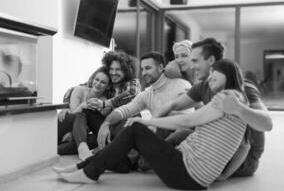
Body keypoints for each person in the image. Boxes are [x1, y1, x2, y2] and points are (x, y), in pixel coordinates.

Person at [52, 59, 248, 190]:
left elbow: (188, 120)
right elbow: (128, 108)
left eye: (216, 72)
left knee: (136, 129)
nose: (211, 76)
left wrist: (147, 121)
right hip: (187, 167)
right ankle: (85, 165)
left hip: (188, 174)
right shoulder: (235, 100)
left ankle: (89, 171)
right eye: (211, 72)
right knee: (133, 133)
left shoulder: (227, 98)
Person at [155, 38, 273, 179]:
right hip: (221, 147)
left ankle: (150, 160)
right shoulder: (204, 85)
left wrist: (239, 108)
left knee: (182, 133)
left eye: (195, 61)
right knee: (175, 122)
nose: (192, 66)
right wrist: (151, 122)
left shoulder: (242, 88)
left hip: (244, 158)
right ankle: (148, 158)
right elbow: (173, 105)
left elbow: (267, 124)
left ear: (210, 60)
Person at [72, 51, 141, 160]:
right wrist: (66, 105)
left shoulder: (132, 82)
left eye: (117, 69)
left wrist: (105, 103)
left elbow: (132, 94)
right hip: (106, 126)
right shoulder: (108, 84)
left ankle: (99, 148)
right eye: (111, 69)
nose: (113, 72)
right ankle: (82, 149)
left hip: (123, 127)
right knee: (86, 111)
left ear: (126, 70)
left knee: (86, 139)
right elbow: (83, 86)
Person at [57, 66, 112, 157]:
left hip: (79, 133)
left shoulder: (104, 103)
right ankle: (82, 149)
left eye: (103, 82)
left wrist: (75, 133)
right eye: (97, 79)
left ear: (108, 86)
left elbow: (92, 125)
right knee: (81, 114)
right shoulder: (79, 90)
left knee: (98, 138)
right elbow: (74, 114)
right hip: (65, 122)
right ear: (93, 79)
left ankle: (60, 150)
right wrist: (83, 106)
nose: (98, 84)